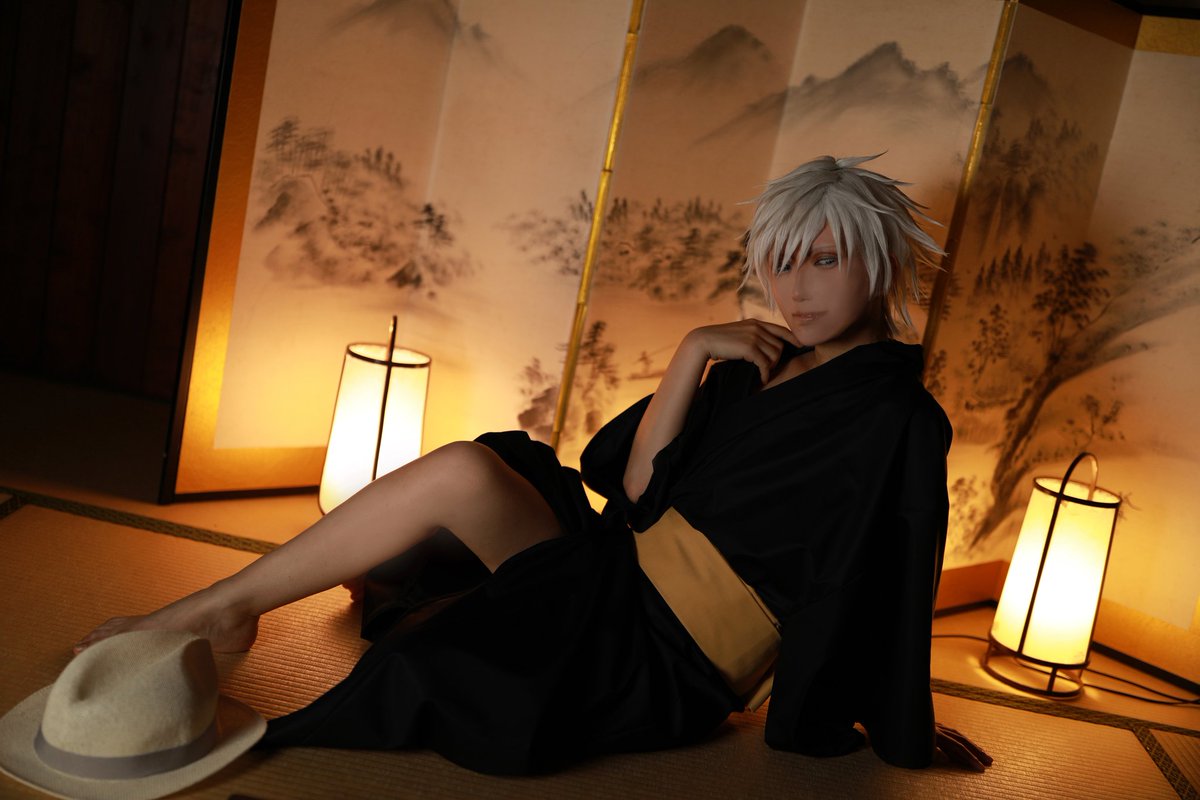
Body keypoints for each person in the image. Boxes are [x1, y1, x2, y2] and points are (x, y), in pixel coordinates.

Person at [75, 155, 991, 775]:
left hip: (666, 657)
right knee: (473, 468)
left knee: (440, 653)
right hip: (616, 573)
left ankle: (234, 610)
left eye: (824, 261)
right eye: (782, 263)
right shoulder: (758, 362)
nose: (797, 289)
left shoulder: (897, 417)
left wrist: (899, 724)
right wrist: (692, 353)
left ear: (880, 263)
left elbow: (893, 576)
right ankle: (223, 607)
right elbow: (638, 495)